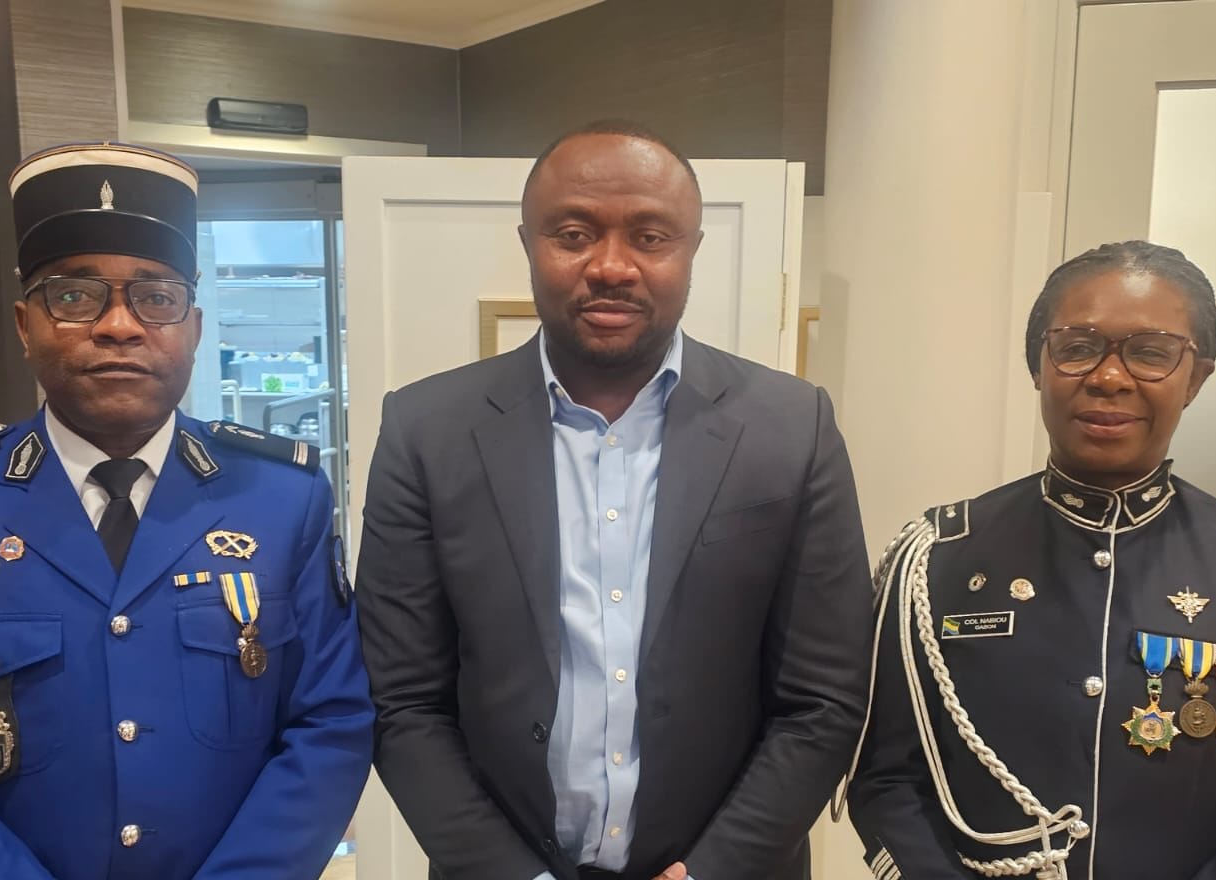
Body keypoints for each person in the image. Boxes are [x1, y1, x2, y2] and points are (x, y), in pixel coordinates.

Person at [355, 119, 876, 880]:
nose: (610, 266)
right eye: (573, 235)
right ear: (528, 243)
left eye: (650, 237)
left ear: (691, 250)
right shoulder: (426, 430)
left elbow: (823, 699)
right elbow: (401, 699)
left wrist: (711, 871)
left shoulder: (792, 427)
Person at [0, 142, 374, 879]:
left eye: (156, 296)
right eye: (75, 295)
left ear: (194, 328)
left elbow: (329, 727)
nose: (120, 325)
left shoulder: (282, 498)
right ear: (25, 323)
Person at [846, 241, 1216, 880]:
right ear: (1038, 365)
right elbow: (887, 781)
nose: (1109, 377)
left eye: (1152, 353)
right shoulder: (935, 559)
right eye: (1077, 347)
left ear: (1196, 378)